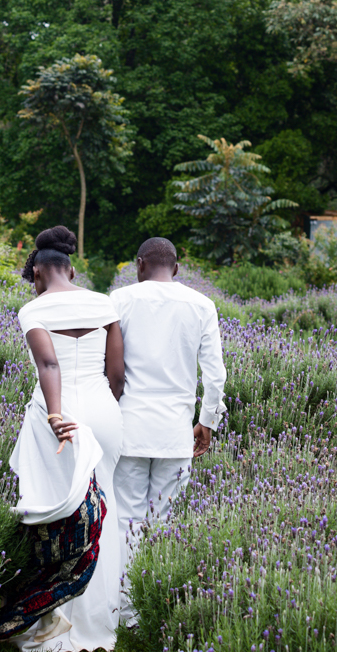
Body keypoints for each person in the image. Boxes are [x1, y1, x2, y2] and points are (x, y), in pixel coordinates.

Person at [0, 225, 125, 652]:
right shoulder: (103, 302)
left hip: (60, 417)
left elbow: (48, 365)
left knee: (58, 520)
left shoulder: (33, 310)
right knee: (101, 514)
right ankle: (100, 624)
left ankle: (52, 620)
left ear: (37, 271)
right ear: (70, 269)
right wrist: (107, 410)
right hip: (105, 412)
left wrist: (56, 415)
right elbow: (117, 373)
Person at [110, 236, 226, 627]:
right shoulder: (201, 305)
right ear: (176, 268)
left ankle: (126, 611)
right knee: (162, 521)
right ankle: (152, 604)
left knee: (126, 519)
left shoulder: (119, 301)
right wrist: (207, 421)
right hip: (176, 432)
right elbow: (215, 374)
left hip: (129, 427)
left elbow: (108, 368)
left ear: (139, 265)